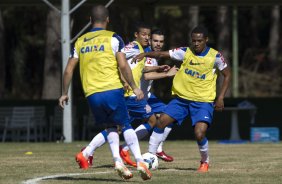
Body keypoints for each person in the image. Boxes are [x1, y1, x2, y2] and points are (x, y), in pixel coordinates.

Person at [58, 5, 151, 181]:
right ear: (107, 20)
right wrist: (134, 86)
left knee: (110, 127)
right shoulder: (113, 38)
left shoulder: (80, 41)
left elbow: (68, 69)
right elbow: (123, 65)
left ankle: (117, 160)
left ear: (90, 21)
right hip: (112, 89)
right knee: (126, 125)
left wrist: (64, 93)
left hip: (92, 93)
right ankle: (140, 161)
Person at [132, 26, 231, 172]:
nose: (196, 44)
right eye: (194, 41)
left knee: (199, 133)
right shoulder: (185, 52)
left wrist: (221, 97)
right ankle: (151, 156)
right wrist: (145, 55)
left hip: (203, 101)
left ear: (206, 40)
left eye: (199, 41)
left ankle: (205, 161)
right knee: (160, 122)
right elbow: (162, 54)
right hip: (181, 99)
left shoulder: (216, 56)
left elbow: (227, 75)